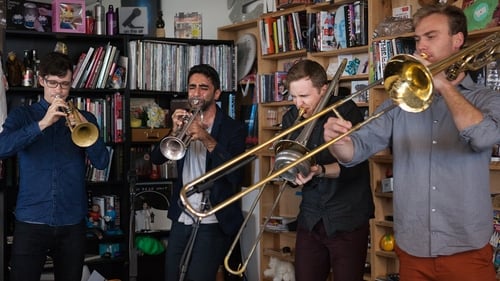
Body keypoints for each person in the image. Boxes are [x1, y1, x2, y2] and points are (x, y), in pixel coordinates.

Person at [323, 4, 500, 281]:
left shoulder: (485, 98)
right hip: (413, 249)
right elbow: (354, 151)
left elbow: (485, 137)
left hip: (466, 249)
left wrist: (443, 85)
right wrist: (337, 139)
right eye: (418, 39)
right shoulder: (399, 101)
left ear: (457, 41)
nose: (421, 46)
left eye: (431, 36)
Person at [0, 51, 109, 281]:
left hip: (72, 222)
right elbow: (2, 148)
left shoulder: (84, 117)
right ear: (41, 81)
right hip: (31, 220)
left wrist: (87, 129)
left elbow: (101, 161)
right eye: (53, 83)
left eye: (65, 84)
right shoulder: (23, 115)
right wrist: (42, 124)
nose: (59, 90)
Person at [150, 64, 246, 281]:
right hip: (182, 216)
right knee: (172, 276)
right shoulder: (183, 121)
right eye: (192, 87)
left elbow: (235, 174)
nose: (196, 93)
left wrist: (205, 137)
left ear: (217, 93)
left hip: (212, 218)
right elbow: (157, 158)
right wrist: (174, 132)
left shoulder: (234, 129)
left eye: (203, 88)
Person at [280, 60, 373, 281]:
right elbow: (289, 166)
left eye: (304, 96)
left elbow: (354, 167)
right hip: (310, 218)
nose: (298, 104)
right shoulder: (291, 118)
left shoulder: (346, 111)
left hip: (347, 218)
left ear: (323, 89)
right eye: (293, 97)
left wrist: (319, 170)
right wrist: (292, 173)